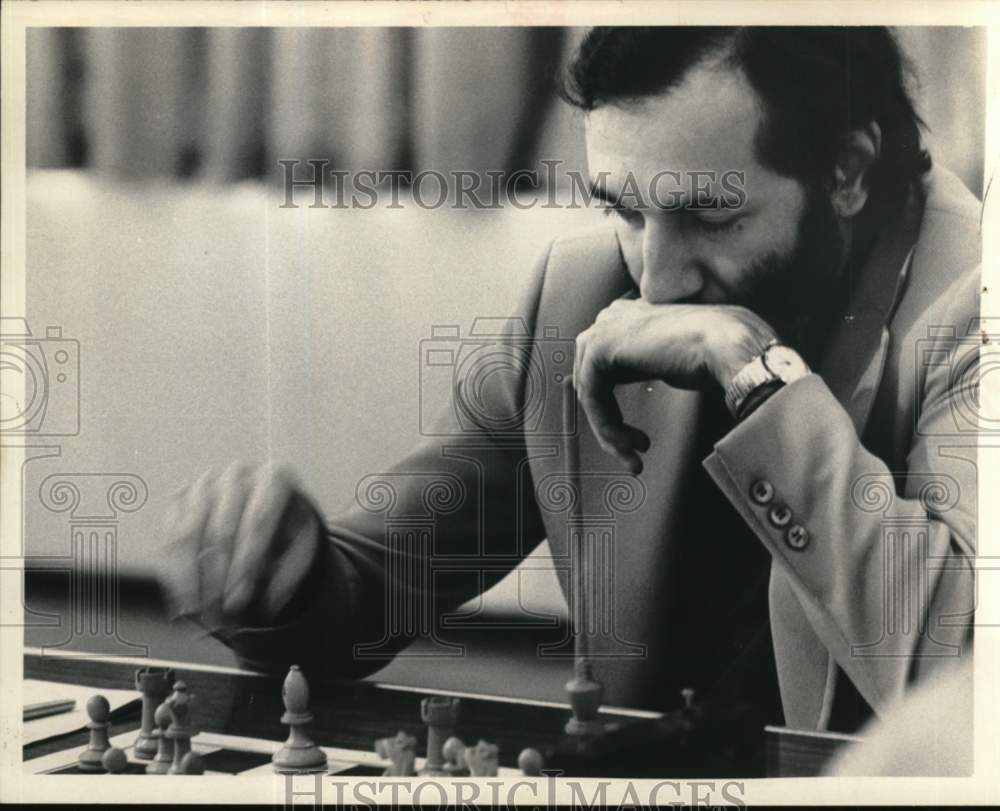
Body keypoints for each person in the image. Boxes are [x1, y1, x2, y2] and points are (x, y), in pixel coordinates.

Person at [158, 27, 979, 734]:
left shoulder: (972, 308)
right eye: (623, 209)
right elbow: (373, 594)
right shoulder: (579, 297)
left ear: (847, 170)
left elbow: (968, 680)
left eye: (711, 217)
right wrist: (284, 578)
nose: (655, 283)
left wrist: (757, 375)